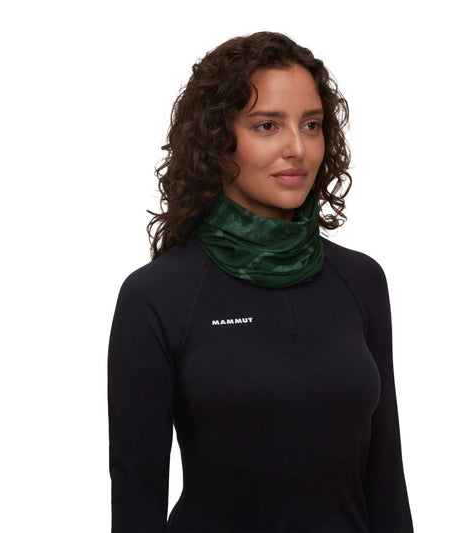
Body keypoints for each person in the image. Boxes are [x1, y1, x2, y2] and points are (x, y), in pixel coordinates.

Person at [107, 31, 414, 533]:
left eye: (311, 125)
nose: (297, 148)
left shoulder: (362, 281)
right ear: (216, 140)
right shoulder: (156, 296)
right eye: (267, 125)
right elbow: (137, 492)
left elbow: (386, 478)